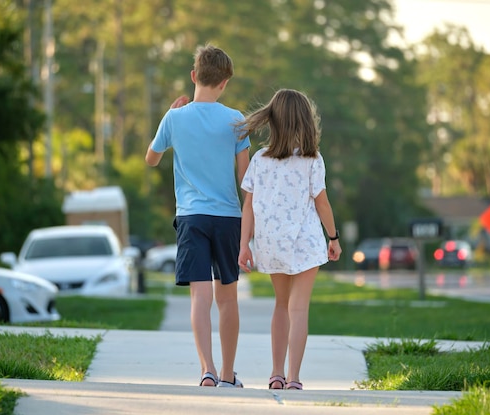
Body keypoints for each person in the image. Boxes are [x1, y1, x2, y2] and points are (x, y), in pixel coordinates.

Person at [145, 44, 250, 388]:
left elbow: (151, 159)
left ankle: (206, 369)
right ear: (224, 83)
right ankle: (228, 373)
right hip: (227, 218)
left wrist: (169, 117)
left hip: (191, 217)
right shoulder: (236, 119)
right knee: (227, 298)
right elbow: (245, 179)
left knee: (200, 297)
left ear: (194, 76)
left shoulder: (174, 117)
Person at [236, 89, 342, 390]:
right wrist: (333, 237)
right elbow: (322, 203)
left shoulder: (259, 159)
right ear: (306, 121)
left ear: (274, 120)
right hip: (305, 242)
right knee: (299, 309)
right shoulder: (312, 159)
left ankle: (276, 374)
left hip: (271, 244)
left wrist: (245, 244)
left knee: (281, 305)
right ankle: (294, 378)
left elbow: (248, 205)